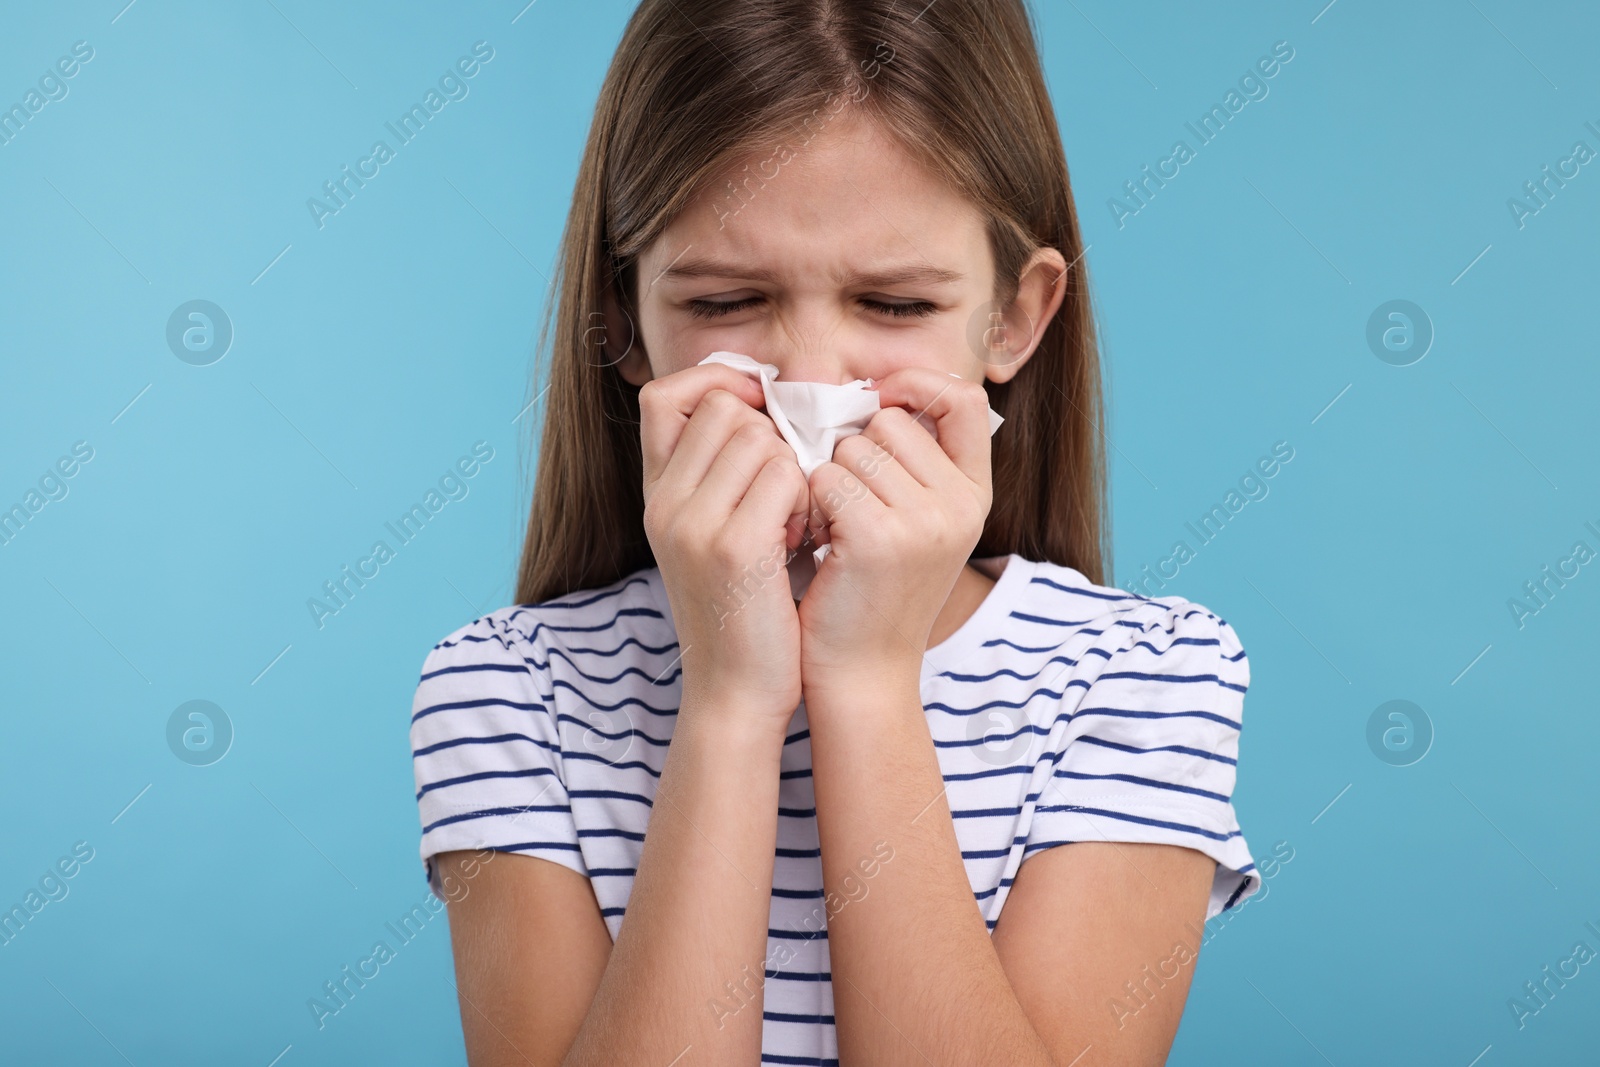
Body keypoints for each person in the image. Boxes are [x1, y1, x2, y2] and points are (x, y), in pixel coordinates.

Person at [410, 1, 1261, 1063]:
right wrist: (727, 700)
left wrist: (863, 682)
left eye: (895, 305)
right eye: (726, 299)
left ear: (1011, 319)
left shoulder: (1143, 680)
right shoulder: (510, 693)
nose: (811, 384)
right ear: (623, 323)